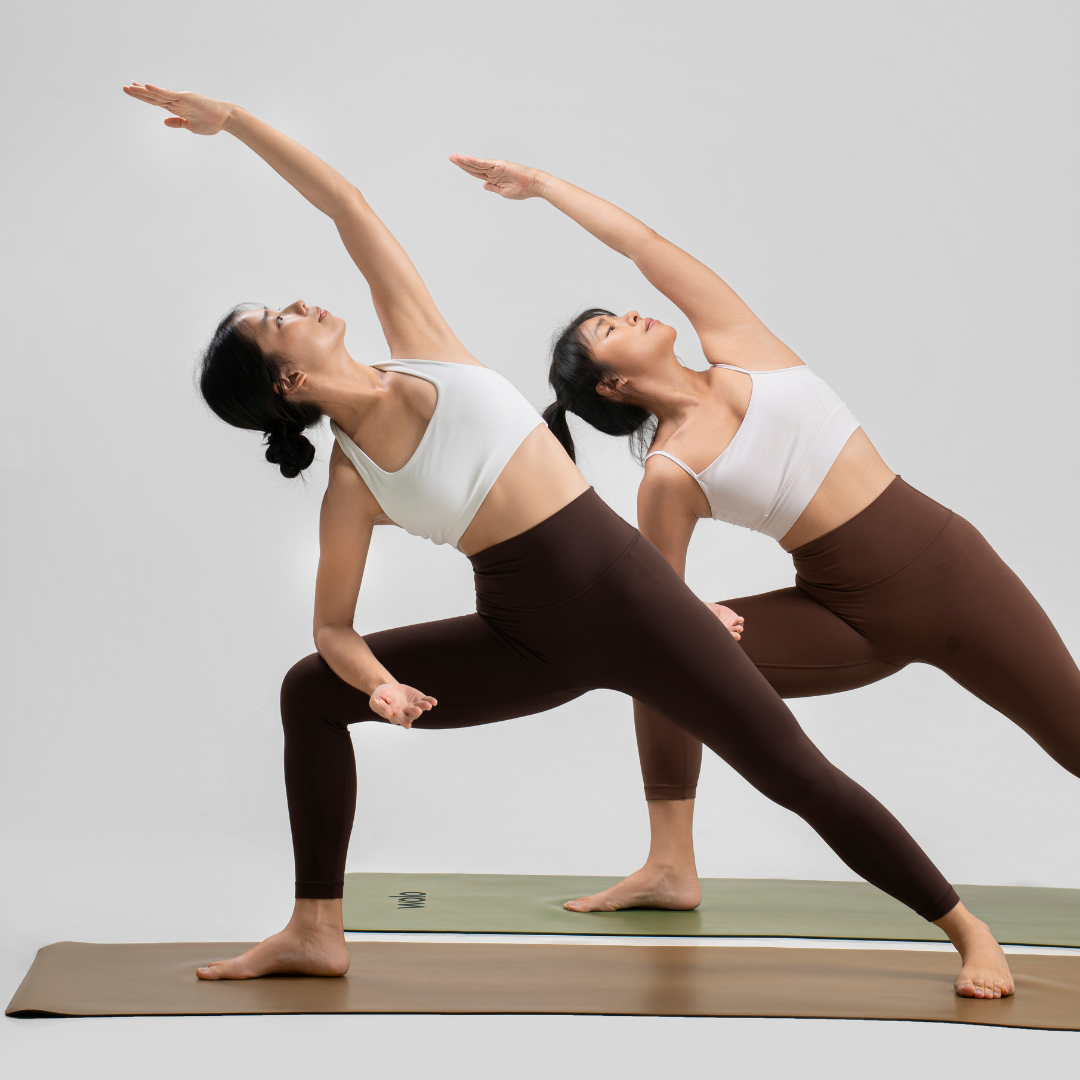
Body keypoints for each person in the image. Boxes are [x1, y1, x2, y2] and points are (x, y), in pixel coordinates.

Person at [124, 83, 1014, 999]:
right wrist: (377, 684)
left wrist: (232, 125)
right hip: (526, 638)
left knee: (794, 774)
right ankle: (315, 929)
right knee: (312, 691)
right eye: (278, 320)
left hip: (635, 606)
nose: (299, 302)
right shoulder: (353, 484)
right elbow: (333, 632)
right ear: (290, 379)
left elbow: (345, 204)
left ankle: (966, 930)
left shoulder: (423, 347)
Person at [451, 153, 1080, 937]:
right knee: (660, 661)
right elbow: (653, 597)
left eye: (619, 311)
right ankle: (672, 865)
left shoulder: (742, 345)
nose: (635, 313)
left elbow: (643, 243)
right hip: (847, 619)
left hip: (954, 575)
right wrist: (693, 618)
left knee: (1076, 736)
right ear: (611, 386)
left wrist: (544, 188)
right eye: (612, 328)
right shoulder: (669, 474)